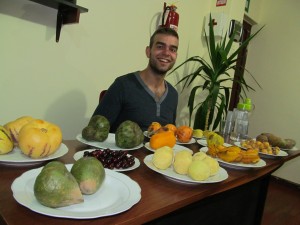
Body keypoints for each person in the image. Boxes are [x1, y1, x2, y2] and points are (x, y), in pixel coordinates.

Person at [92, 27, 179, 133]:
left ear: (176, 56)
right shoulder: (122, 86)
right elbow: (94, 132)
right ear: (148, 52)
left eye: (172, 49)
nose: (166, 53)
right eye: (160, 46)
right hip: (123, 149)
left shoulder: (173, 95)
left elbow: (170, 134)